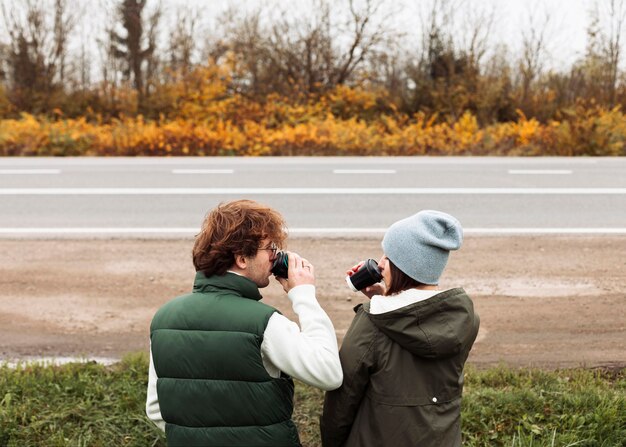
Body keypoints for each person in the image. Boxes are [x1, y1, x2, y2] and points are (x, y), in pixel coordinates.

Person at [146, 199, 343, 446]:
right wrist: (304, 295)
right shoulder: (264, 322)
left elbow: (155, 409)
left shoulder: (164, 318)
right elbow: (328, 373)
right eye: (270, 248)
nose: (275, 257)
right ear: (241, 258)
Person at [320, 210, 480, 447]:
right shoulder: (464, 319)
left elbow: (344, 398)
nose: (380, 264)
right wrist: (387, 296)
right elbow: (418, 322)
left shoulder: (372, 322)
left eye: (388, 257)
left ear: (406, 267)